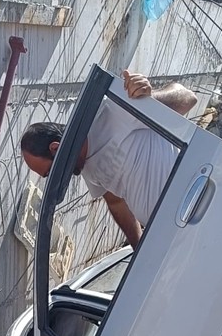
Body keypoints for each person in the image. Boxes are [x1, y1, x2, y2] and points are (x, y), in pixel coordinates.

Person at [20, 72, 197, 248]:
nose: (54, 179)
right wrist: (139, 248)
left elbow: (188, 98)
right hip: (171, 233)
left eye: (50, 172)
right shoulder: (85, 168)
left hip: (196, 207)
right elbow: (116, 202)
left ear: (55, 148)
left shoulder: (113, 112)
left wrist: (151, 99)